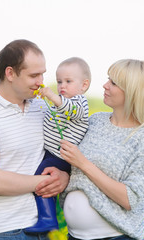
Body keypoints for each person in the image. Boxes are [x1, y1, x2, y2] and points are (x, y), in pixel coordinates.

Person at [0, 39, 70, 240]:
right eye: (34, 75)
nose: (41, 82)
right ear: (10, 73)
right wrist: (47, 182)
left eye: (43, 74)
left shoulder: (42, 107)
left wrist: (63, 177)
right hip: (6, 232)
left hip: (44, 229)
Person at [59, 59, 144, 240]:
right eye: (108, 79)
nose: (105, 85)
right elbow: (76, 170)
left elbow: (129, 199)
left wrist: (83, 163)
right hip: (74, 236)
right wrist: (62, 174)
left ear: (132, 91)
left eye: (113, 83)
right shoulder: (95, 120)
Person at [25, 57, 91, 233]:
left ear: (84, 85)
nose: (62, 86)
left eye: (68, 81)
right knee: (43, 178)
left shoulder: (79, 103)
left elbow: (70, 110)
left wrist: (52, 97)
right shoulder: (58, 103)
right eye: (59, 81)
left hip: (61, 157)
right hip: (51, 153)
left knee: (41, 179)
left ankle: (48, 219)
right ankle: (46, 216)